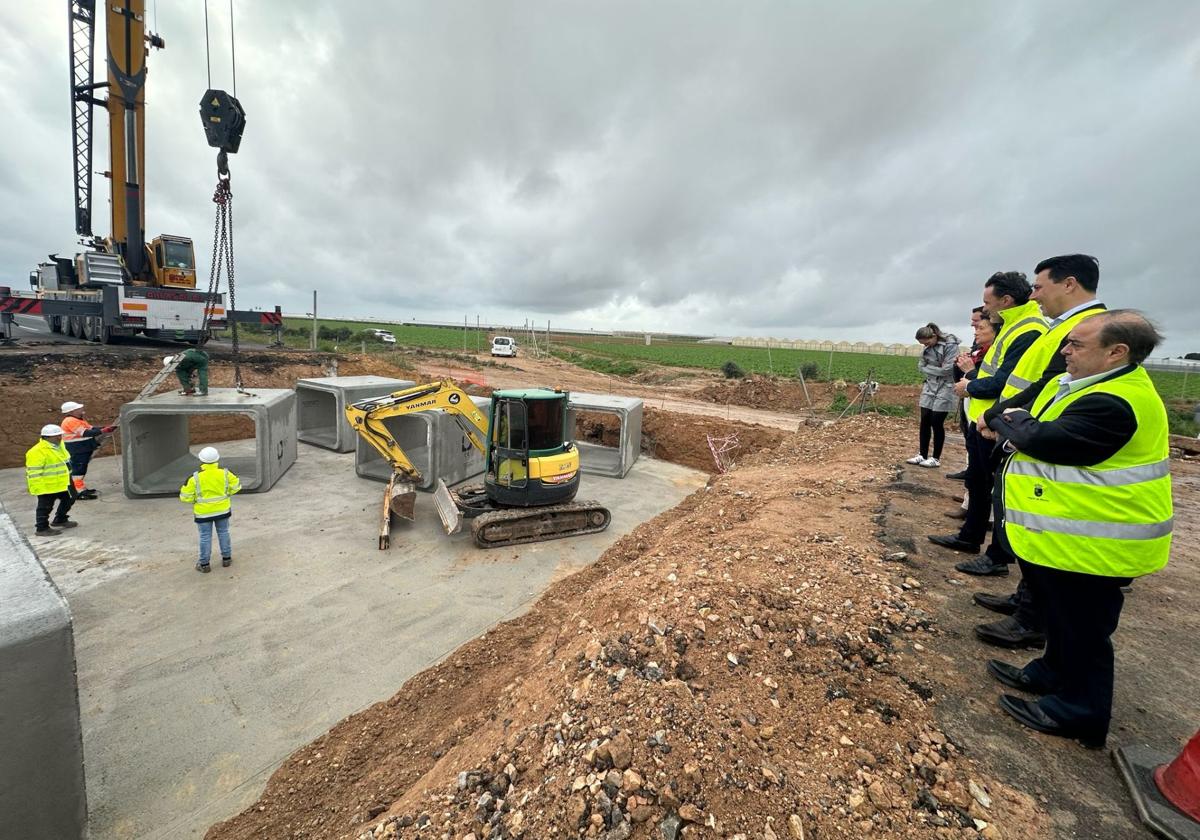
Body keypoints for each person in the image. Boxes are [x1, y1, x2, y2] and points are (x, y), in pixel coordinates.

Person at [982, 311, 1171, 749]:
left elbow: (1044, 439)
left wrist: (1015, 424)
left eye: (1077, 344)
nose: (1065, 350)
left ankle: (1079, 711)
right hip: (1069, 540)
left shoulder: (1115, 401)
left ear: (1116, 352)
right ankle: (1052, 672)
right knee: (1061, 619)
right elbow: (1026, 426)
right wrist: (1018, 424)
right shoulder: (1090, 386)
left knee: (1084, 631)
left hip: (1099, 545)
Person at [966, 255, 1107, 649]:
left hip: (1031, 434)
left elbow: (1045, 384)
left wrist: (997, 416)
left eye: (1040, 286)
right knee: (1020, 517)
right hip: (1020, 430)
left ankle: (1031, 617)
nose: (1035, 293)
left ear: (1069, 284)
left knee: (1038, 530)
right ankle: (1025, 603)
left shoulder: (1085, 330)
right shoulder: (1057, 327)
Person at [928, 272, 1046, 554]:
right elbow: (992, 370)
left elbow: (1006, 380)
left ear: (1005, 300)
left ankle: (997, 555)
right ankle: (970, 537)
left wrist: (971, 386)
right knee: (978, 482)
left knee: (996, 488)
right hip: (985, 417)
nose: (984, 310)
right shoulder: (1011, 326)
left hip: (998, 421)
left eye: (987, 302)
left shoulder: (1029, 330)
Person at [178, 446, 241, 573]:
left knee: (205, 537)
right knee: (224, 532)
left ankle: (204, 564)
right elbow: (236, 487)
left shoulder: (194, 478)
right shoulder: (225, 473)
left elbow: (185, 497)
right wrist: (226, 493)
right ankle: (226, 558)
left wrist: (196, 500)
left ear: (201, 460)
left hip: (203, 514)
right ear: (217, 459)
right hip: (222, 511)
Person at [907, 323, 960, 467]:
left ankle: (936, 458)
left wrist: (929, 368)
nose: (926, 346)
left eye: (928, 342)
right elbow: (920, 366)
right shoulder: (927, 349)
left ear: (934, 336)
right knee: (924, 420)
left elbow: (948, 369)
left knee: (936, 421)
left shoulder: (950, 345)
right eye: (923, 344)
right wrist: (935, 368)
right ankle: (922, 454)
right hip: (930, 385)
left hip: (946, 386)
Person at [945, 307, 985, 483]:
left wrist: (969, 371)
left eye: (977, 322)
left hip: (981, 404)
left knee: (979, 451)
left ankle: (972, 494)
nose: (972, 325)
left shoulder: (991, 349)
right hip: (970, 396)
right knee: (969, 438)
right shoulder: (978, 346)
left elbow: (989, 381)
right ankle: (970, 479)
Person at [25, 424, 77, 536]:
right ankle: (41, 528)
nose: (59, 438)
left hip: (63, 481)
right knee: (45, 507)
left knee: (70, 498)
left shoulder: (59, 445)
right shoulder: (37, 451)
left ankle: (60, 519)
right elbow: (33, 472)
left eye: (60, 435)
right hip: (48, 485)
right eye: (56, 436)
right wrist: (38, 488)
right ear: (46, 437)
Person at [60, 400, 116, 499]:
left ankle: (81, 489)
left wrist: (103, 428)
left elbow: (91, 428)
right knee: (78, 470)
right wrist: (103, 431)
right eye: (79, 409)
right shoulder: (70, 421)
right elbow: (85, 433)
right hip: (77, 449)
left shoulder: (78, 419)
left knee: (81, 469)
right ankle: (77, 492)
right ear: (72, 411)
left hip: (82, 448)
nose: (82, 410)